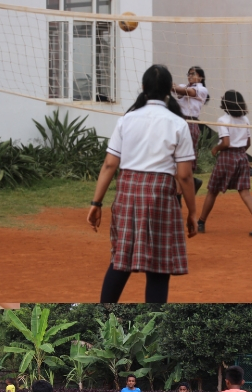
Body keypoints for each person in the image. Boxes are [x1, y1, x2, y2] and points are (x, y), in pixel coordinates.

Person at [87, 64, 198, 303]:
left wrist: (96, 202)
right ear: (170, 89)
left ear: (143, 88)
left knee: (120, 260)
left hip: (127, 192)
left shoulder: (127, 120)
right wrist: (192, 212)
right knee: (158, 268)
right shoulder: (178, 124)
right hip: (160, 194)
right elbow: (185, 176)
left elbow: (109, 165)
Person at [197, 90, 252, 237]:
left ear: (225, 103)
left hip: (227, 157)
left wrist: (216, 148)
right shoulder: (245, 120)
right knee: (245, 193)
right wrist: (240, 152)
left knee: (212, 190)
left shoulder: (223, 120)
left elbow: (226, 143)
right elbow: (248, 143)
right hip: (242, 156)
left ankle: (201, 223)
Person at [171, 65, 207, 195]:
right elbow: (178, 90)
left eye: (193, 74)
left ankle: (180, 194)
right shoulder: (183, 86)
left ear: (201, 77)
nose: (190, 76)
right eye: (189, 74)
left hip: (190, 123)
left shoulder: (202, 89)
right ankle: (189, 184)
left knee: (185, 158)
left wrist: (169, 85)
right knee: (173, 157)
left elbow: (185, 92)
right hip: (178, 121)